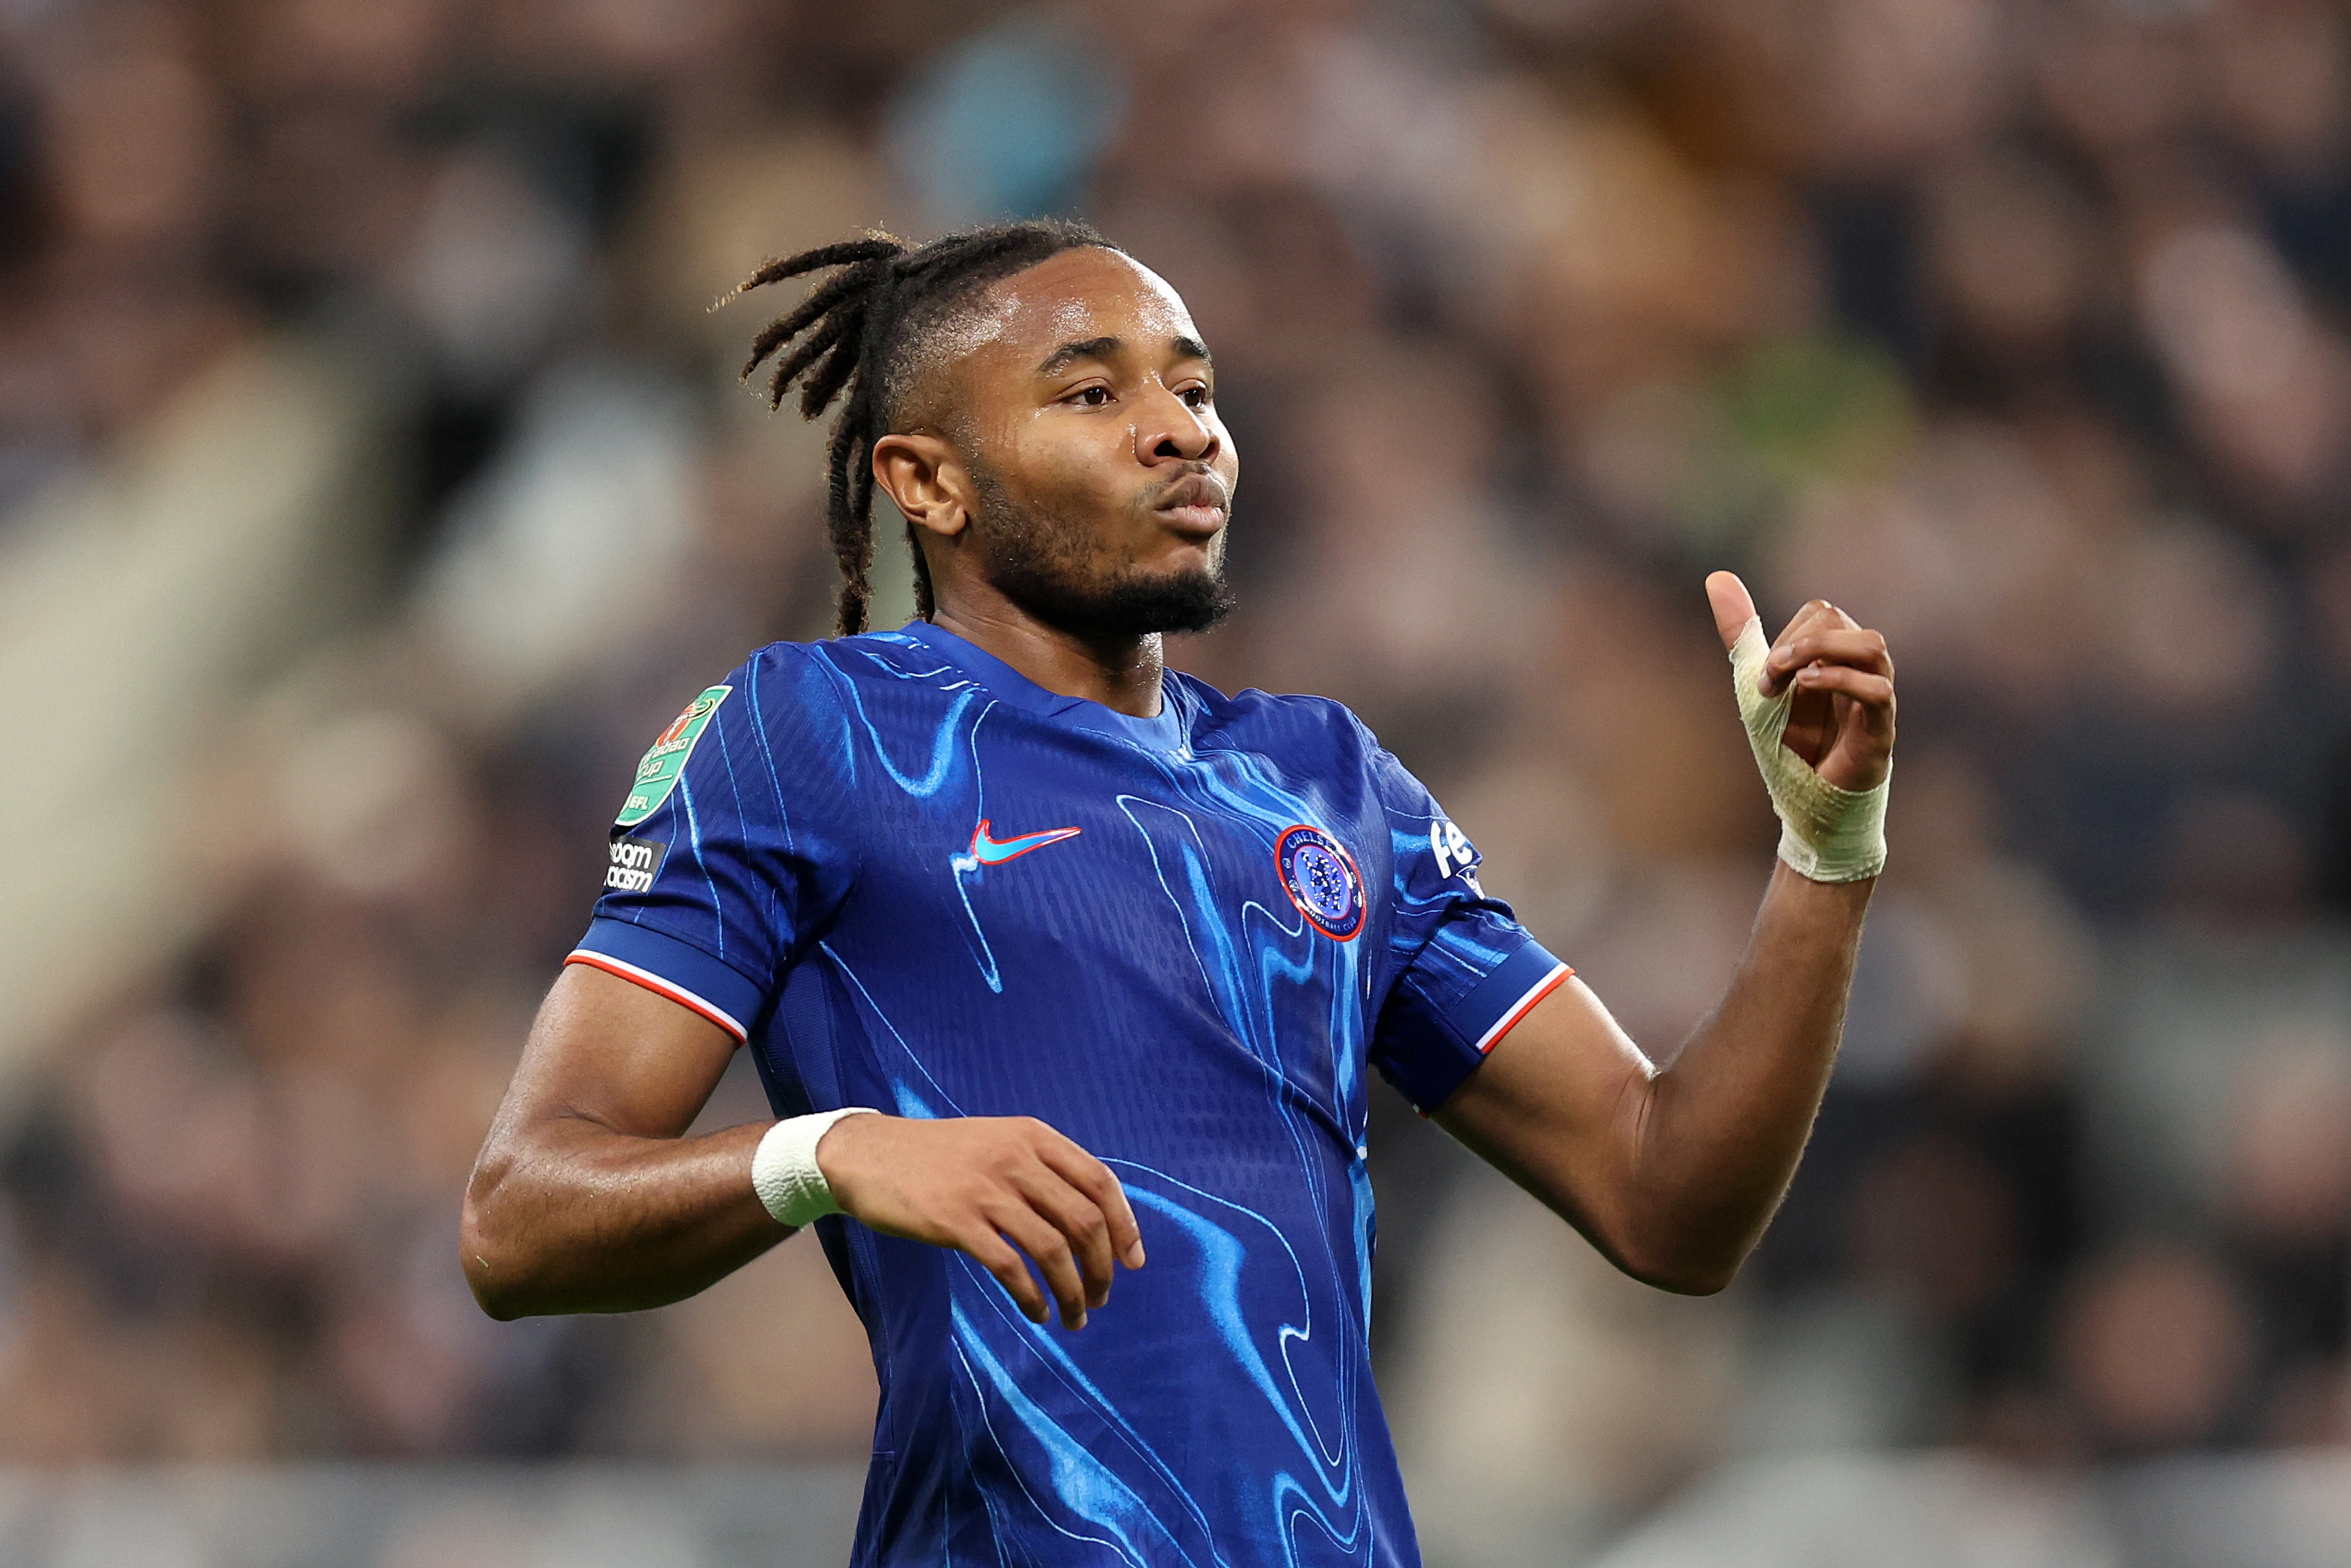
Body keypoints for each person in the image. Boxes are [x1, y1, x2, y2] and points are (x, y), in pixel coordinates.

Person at [460, 219, 1897, 1566]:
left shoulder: (1329, 782)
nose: (1180, 429)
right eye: (1089, 393)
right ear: (928, 482)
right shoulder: (807, 735)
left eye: (1195, 388)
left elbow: (1669, 1203)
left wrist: (1824, 853)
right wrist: (832, 1153)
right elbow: (519, 1220)